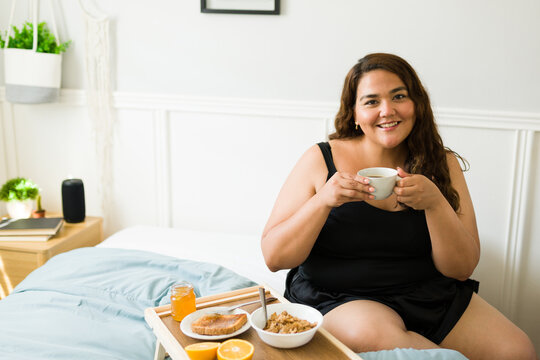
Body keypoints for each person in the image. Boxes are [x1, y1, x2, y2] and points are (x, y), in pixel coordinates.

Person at [261, 53, 537, 359]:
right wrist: (324, 200)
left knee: (517, 350)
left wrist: (435, 204)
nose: (387, 111)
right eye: (371, 101)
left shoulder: (443, 164)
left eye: (399, 96)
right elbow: (274, 257)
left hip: (429, 294)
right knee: (389, 340)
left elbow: (460, 270)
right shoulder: (320, 159)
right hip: (342, 298)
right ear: (353, 113)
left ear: (416, 104)